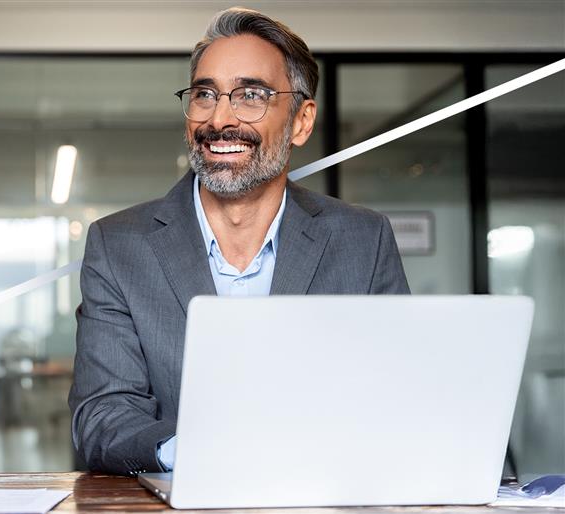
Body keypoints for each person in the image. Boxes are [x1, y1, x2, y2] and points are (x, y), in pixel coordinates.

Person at [68, 6, 409, 476]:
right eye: (205, 94)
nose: (219, 118)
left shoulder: (362, 240)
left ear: (301, 122)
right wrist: (197, 453)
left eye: (250, 95)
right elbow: (102, 416)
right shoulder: (118, 244)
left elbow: (396, 398)